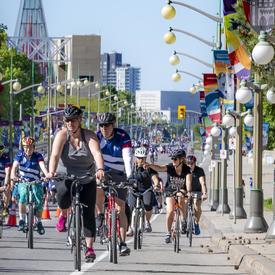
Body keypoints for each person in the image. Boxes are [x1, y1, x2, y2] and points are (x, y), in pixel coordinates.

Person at [48, 105, 105, 263]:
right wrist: (51, 172)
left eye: (73, 120)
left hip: (87, 176)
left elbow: (97, 153)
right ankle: (63, 214)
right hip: (65, 175)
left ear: (80, 120)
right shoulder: (62, 135)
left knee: (88, 214)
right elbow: (54, 155)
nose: (70, 123)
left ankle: (89, 248)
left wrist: (100, 168)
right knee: (63, 198)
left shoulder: (89, 136)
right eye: (67, 120)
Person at [96, 112, 132, 256]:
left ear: (113, 125)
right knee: (96, 185)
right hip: (102, 172)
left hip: (119, 174)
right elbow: (93, 156)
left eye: (107, 125)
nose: (104, 128)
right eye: (102, 125)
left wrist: (130, 176)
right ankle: (100, 217)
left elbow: (127, 157)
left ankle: (122, 243)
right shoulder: (97, 137)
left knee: (120, 208)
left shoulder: (123, 136)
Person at [144, 149, 192, 244]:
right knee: (170, 212)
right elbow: (160, 168)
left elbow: (188, 182)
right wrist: (150, 165)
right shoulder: (170, 167)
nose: (173, 161)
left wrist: (189, 192)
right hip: (170, 191)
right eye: (172, 159)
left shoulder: (187, 169)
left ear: (181, 160)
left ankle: (183, 220)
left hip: (182, 190)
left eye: (175, 159)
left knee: (181, 196)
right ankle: (169, 232)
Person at [10, 137, 50, 235]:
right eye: (25, 147)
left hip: (36, 182)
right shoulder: (20, 155)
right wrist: (13, 176)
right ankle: (22, 221)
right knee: (22, 196)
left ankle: (39, 222)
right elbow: (14, 167)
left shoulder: (38, 156)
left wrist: (47, 174)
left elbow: (42, 166)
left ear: (34, 147)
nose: (28, 149)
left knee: (40, 201)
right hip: (23, 181)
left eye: (30, 147)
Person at [127, 147, 159, 235]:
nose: (141, 160)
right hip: (134, 190)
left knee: (148, 205)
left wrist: (156, 185)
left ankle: (147, 221)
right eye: (139, 158)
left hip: (146, 190)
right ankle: (129, 227)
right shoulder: (131, 168)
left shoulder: (149, 168)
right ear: (136, 158)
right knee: (129, 207)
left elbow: (155, 178)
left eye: (143, 158)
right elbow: (126, 177)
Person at [186, 155, 207, 235]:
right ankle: (183, 222)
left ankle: (196, 223)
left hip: (197, 191)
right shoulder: (184, 170)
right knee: (182, 204)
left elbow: (203, 183)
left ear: (195, 163)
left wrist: (204, 193)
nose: (190, 165)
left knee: (196, 206)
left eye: (192, 163)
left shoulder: (199, 170)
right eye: (188, 163)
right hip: (186, 191)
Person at [0, 144, 12, 216]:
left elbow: (7, 173)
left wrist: (5, 185)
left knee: (7, 189)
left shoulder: (6, 157)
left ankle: (5, 207)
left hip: (3, 178)